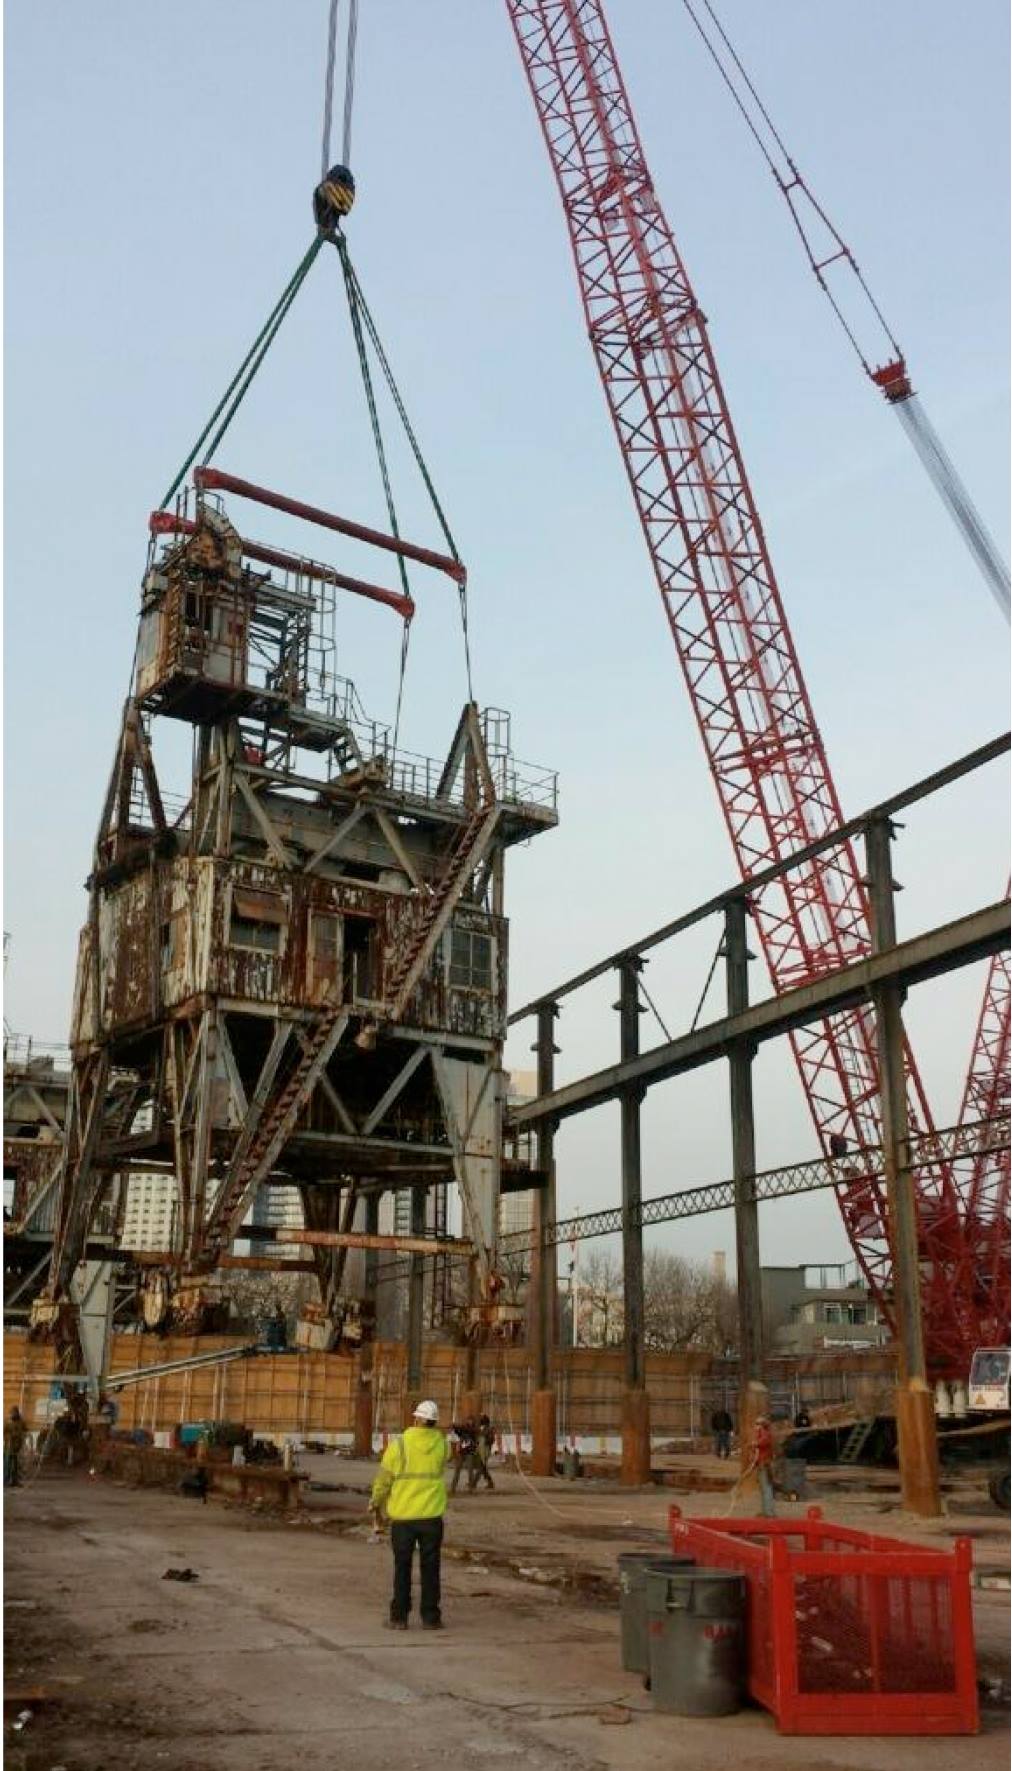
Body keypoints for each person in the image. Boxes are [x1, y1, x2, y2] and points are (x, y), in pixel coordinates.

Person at [370, 1399, 449, 1631]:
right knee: (431, 1567)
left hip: (404, 1518)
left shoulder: (400, 1445)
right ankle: (431, 1617)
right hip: (432, 1517)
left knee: (402, 1567)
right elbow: (452, 1457)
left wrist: (376, 1502)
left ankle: (399, 1617)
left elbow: (384, 1480)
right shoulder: (442, 1445)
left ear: (416, 1419)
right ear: (434, 1422)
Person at [747, 1413, 776, 1517]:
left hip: (765, 1464)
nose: (755, 1426)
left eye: (757, 1424)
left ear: (762, 1425)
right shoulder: (761, 1434)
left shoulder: (765, 1434)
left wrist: (754, 1443)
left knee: (767, 1489)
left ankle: (769, 1512)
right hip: (760, 1464)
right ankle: (765, 1511)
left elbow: (763, 1442)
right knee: (764, 1489)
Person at [449, 1416, 479, 1494]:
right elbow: (458, 1432)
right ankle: (453, 1488)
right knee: (457, 1470)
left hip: (470, 1452)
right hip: (462, 1452)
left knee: (470, 1471)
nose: (469, 1422)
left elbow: (470, 1431)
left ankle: (470, 1489)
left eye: (471, 1421)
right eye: (468, 1420)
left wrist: (458, 1427)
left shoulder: (474, 1430)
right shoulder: (464, 1429)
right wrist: (454, 1427)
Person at [472, 1413, 495, 1491]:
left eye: (482, 1418)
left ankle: (473, 1483)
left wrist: (485, 1440)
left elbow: (491, 1439)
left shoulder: (489, 1429)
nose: (481, 1420)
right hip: (480, 1449)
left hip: (485, 1450)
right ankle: (490, 1482)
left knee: (481, 1467)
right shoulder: (480, 1428)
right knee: (483, 1468)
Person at [4, 1407, 26, 1487]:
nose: (13, 1414)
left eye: (15, 1413)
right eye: (12, 1413)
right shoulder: (7, 1422)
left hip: (18, 1446)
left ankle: (15, 1480)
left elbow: (25, 1431)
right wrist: (9, 1437)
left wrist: (22, 1436)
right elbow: (4, 1432)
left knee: (17, 1464)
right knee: (8, 1464)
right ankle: (6, 1480)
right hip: (9, 1446)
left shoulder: (21, 1422)